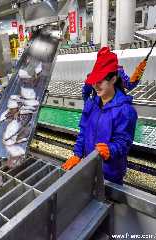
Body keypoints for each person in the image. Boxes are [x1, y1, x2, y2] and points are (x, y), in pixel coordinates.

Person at [62, 47, 138, 185]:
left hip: (111, 174)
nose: (96, 86)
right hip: (89, 168)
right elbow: (83, 131)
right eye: (94, 81)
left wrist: (111, 149)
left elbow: (124, 142)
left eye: (100, 81)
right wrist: (77, 154)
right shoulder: (92, 104)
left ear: (113, 79)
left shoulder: (125, 111)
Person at [82, 60, 147, 102]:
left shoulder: (118, 73)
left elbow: (130, 85)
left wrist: (139, 70)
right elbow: (85, 93)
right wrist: (89, 105)